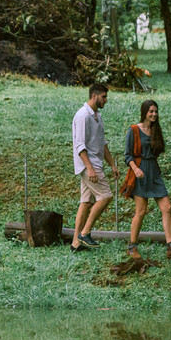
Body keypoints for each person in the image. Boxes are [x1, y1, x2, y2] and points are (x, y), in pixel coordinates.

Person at [124, 99, 171, 259]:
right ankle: (132, 247)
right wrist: (136, 168)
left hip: (154, 172)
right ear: (144, 112)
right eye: (151, 111)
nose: (154, 114)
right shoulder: (133, 130)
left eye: (156, 111)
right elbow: (127, 155)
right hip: (140, 172)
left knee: (167, 207)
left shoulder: (155, 130)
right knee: (141, 210)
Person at [71, 83, 117, 251]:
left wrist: (112, 164)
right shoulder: (83, 116)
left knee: (85, 202)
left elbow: (102, 143)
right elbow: (80, 146)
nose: (106, 100)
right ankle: (85, 233)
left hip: (96, 163)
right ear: (94, 96)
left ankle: (75, 243)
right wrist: (90, 168)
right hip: (88, 165)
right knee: (105, 196)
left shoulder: (97, 115)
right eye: (103, 97)